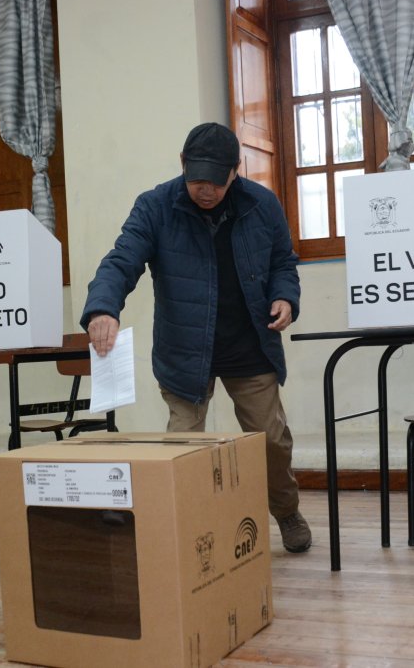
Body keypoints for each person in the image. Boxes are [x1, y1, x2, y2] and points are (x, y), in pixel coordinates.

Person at [81, 122, 311, 553]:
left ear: (235, 172)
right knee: (181, 446)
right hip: (186, 350)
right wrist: (102, 308)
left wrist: (284, 296)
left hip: (249, 345)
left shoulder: (262, 205)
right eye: (196, 180)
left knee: (272, 442)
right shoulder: (154, 206)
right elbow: (121, 260)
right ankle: (185, 531)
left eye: (215, 182)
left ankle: (286, 510)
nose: (205, 190)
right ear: (183, 164)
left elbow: (283, 260)